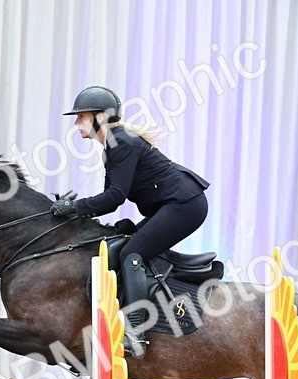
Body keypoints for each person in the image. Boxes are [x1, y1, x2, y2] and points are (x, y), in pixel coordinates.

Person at [53, 85, 209, 358]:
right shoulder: (111, 145)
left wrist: (73, 208)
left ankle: (136, 332)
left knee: (132, 253)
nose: (76, 122)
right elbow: (109, 198)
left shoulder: (120, 141)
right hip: (174, 204)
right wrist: (77, 211)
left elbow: (114, 197)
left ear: (100, 117)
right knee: (124, 243)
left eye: (81, 116)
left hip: (185, 205)